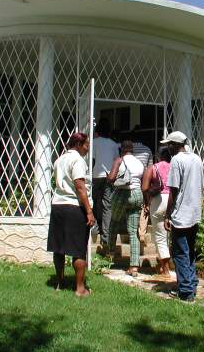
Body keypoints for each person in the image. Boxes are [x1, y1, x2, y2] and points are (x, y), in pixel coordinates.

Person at [47, 132, 95, 297]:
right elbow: (79, 186)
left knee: (58, 247)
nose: (88, 148)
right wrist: (89, 211)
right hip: (74, 207)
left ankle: (59, 282)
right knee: (78, 249)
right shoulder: (78, 160)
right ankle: (80, 288)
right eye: (86, 144)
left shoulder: (59, 160)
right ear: (79, 144)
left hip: (58, 205)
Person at [162, 131, 204, 302]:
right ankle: (191, 284)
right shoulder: (197, 159)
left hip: (181, 215)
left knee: (180, 253)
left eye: (168, 145)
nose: (167, 148)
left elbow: (173, 190)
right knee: (190, 252)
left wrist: (167, 215)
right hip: (194, 213)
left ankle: (185, 291)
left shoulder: (177, 160)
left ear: (174, 145)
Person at [107, 140, 145, 277]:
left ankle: (110, 255)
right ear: (132, 149)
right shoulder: (139, 163)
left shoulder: (119, 160)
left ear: (121, 149)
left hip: (122, 194)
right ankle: (134, 266)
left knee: (114, 223)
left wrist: (108, 177)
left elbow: (111, 178)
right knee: (133, 231)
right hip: (137, 194)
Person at [142, 146, 172, 277]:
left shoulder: (153, 168)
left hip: (158, 201)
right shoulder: (173, 167)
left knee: (159, 237)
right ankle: (161, 266)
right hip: (172, 200)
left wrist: (147, 202)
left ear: (158, 156)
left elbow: (144, 187)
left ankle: (165, 269)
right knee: (166, 236)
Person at [92, 119, 118, 251]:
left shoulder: (94, 142)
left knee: (94, 202)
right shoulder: (114, 144)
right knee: (107, 206)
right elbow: (116, 161)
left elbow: (92, 159)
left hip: (96, 176)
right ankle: (106, 237)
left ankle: (94, 228)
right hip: (109, 177)